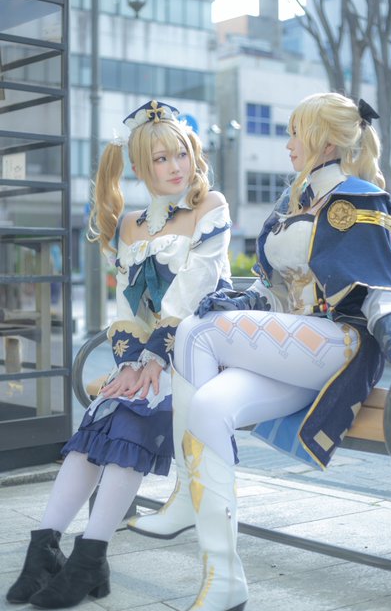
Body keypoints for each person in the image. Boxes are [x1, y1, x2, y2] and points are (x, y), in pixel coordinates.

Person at [167, 92, 391, 611]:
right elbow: (274, 289)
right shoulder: (293, 202)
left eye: (294, 133)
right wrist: (243, 300)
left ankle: (181, 494)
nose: (287, 144)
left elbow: (383, 288)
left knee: (197, 330)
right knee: (208, 408)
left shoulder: (359, 199)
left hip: (338, 344)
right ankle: (223, 579)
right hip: (291, 346)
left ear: (325, 141)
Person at [6, 100, 232, 609]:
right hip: (152, 357)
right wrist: (130, 365)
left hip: (201, 349)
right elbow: (127, 308)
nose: (176, 167)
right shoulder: (130, 226)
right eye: (160, 159)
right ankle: (44, 550)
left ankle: (89, 558)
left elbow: (193, 291)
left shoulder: (209, 207)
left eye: (181, 154)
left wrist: (151, 361)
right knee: (100, 420)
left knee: (128, 418)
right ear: (138, 167)